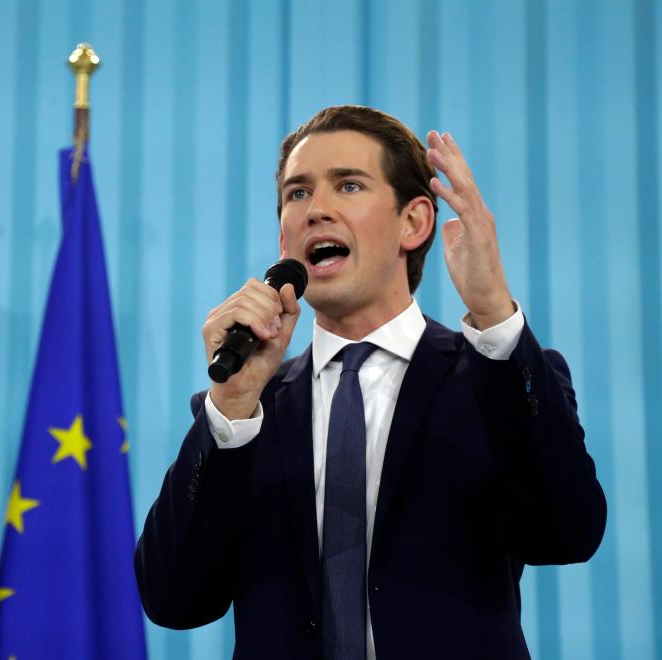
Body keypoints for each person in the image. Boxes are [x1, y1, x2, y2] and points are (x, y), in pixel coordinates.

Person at [134, 105, 606, 660]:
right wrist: (231, 407)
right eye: (297, 193)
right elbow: (174, 601)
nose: (316, 210)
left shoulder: (498, 378)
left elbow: (565, 534)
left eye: (349, 185)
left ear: (415, 223)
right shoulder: (245, 411)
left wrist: (495, 316)